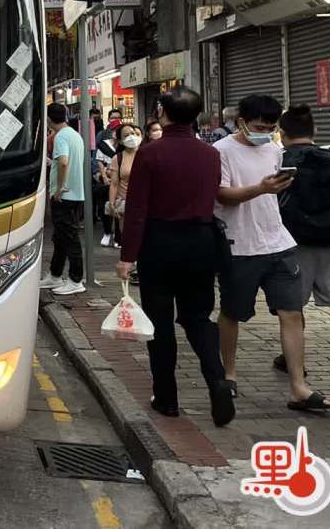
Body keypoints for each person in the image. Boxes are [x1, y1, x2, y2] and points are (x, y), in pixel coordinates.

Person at [116, 87, 235, 426]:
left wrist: (127, 257)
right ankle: (218, 380)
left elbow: (137, 209)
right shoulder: (210, 154)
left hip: (159, 244)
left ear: (162, 113)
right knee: (198, 318)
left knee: (160, 323)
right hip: (201, 243)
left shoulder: (150, 154)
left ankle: (166, 398)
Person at [214, 94, 330, 412]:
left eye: (271, 128)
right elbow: (222, 195)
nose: (266, 133)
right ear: (241, 122)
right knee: (233, 313)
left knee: (292, 312)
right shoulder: (221, 151)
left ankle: (298, 386)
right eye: (260, 127)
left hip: (279, 243)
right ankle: (229, 375)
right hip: (239, 246)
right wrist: (261, 188)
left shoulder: (274, 149)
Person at [274, 104, 330, 384]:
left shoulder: (280, 162)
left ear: (281, 133)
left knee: (292, 309)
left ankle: (295, 363)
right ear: (314, 130)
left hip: (292, 244)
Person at [39, 102, 88, 295]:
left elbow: (64, 162)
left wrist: (60, 188)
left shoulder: (60, 137)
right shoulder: (74, 135)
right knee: (60, 238)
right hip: (74, 193)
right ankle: (55, 275)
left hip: (65, 196)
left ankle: (76, 280)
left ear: (48, 119)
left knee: (69, 238)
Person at [105, 124, 142, 248]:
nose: (131, 137)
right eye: (126, 135)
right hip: (125, 205)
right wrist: (112, 203)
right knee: (128, 239)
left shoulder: (146, 154)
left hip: (144, 204)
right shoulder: (118, 158)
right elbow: (114, 184)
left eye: (133, 133)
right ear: (120, 141)